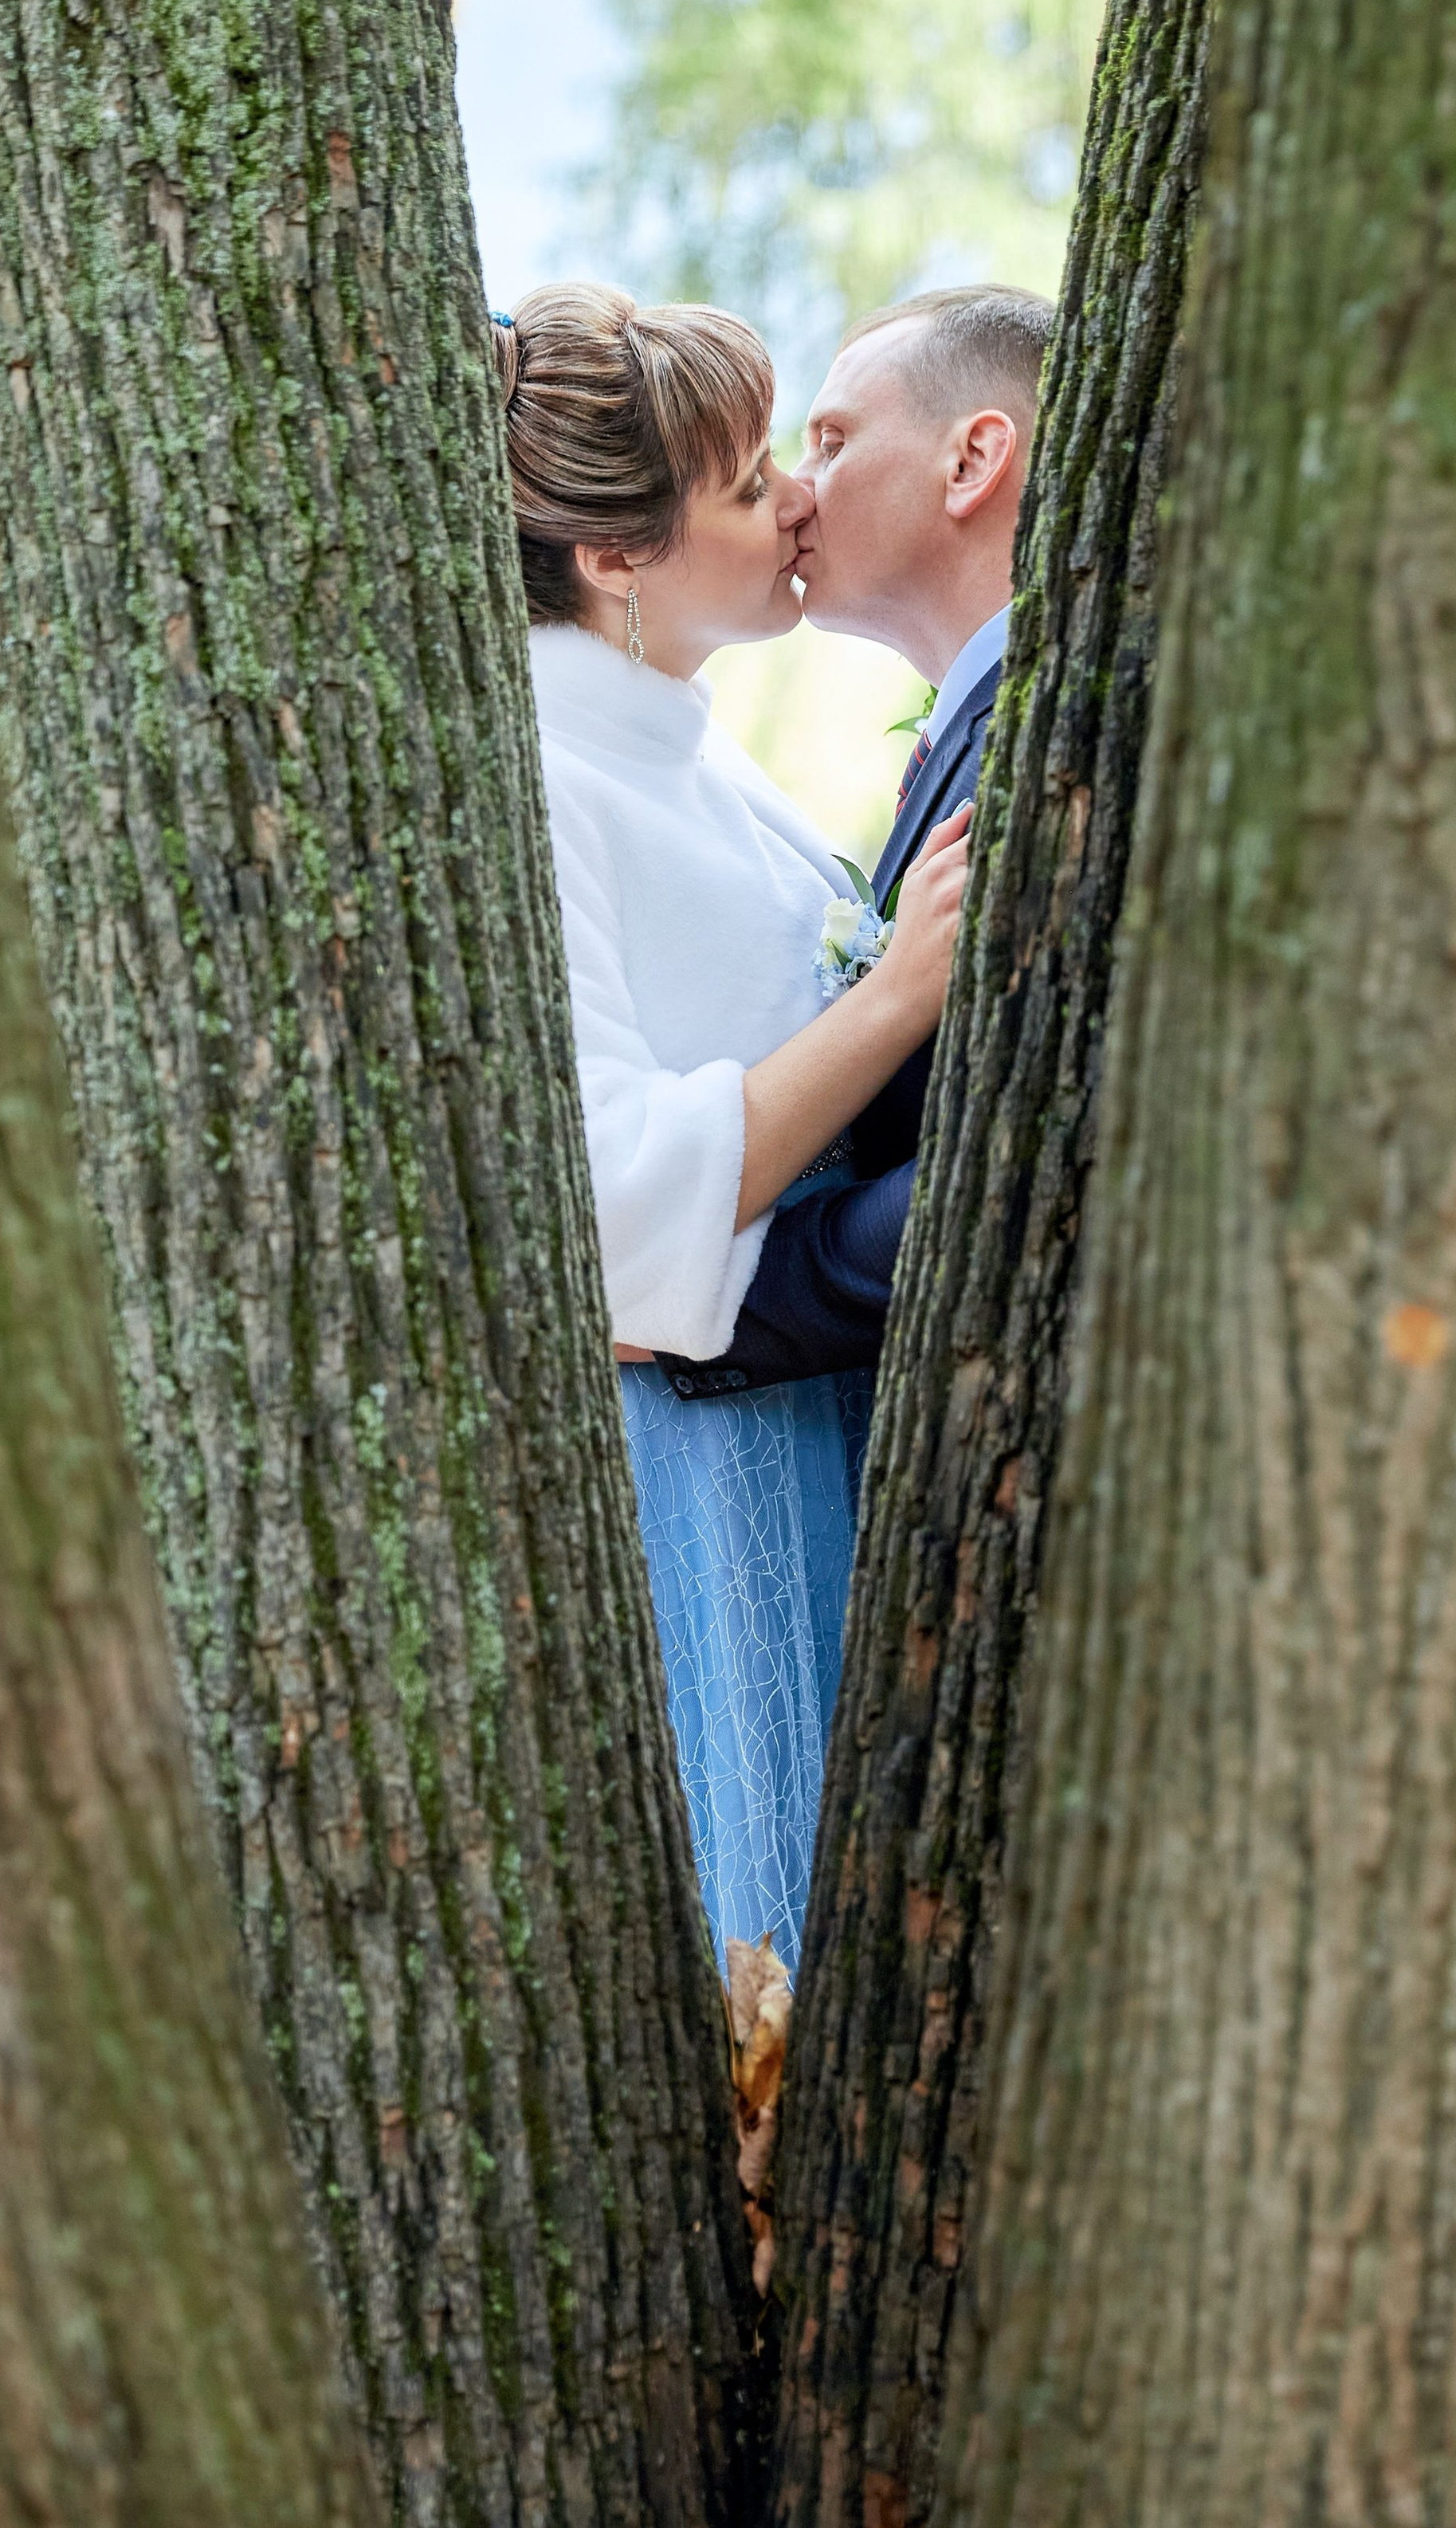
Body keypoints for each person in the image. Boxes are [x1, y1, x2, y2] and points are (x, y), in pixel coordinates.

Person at [494, 282, 970, 1974]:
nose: (792, 502)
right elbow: (614, 1219)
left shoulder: (693, 754)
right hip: (716, 1451)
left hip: (815, 1400)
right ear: (614, 556)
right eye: (743, 475)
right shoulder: (540, 768)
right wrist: (897, 992)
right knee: (781, 1937)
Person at [657, 283, 1050, 1402]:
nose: (792, 493)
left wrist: (719, 1305)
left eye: (830, 441)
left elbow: (1034, 1150)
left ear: (972, 462)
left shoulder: (1054, 738)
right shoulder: (975, 738)